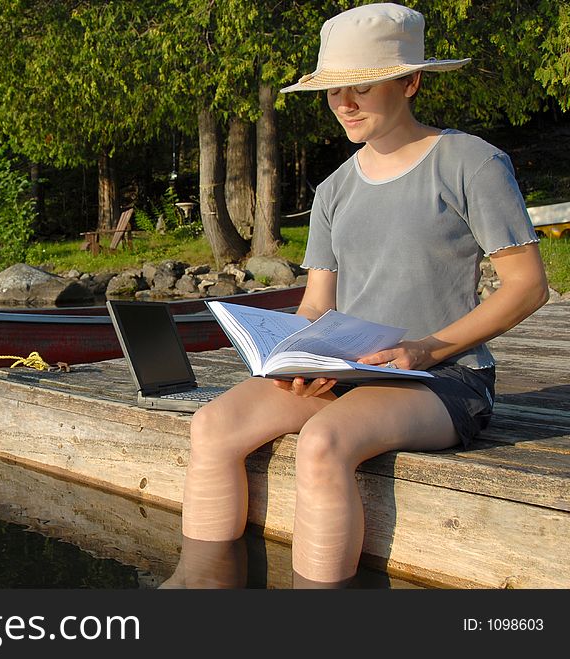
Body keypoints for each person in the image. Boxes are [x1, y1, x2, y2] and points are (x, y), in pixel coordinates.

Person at [175, 2, 549, 588]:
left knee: (322, 442)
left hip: (444, 378)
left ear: (410, 81)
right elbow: (317, 306)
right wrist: (296, 358)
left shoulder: (471, 163)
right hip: (345, 370)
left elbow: (529, 286)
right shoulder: (334, 189)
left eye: (362, 87)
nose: (344, 104)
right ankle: (200, 593)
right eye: (332, 91)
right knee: (212, 426)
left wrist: (426, 349)